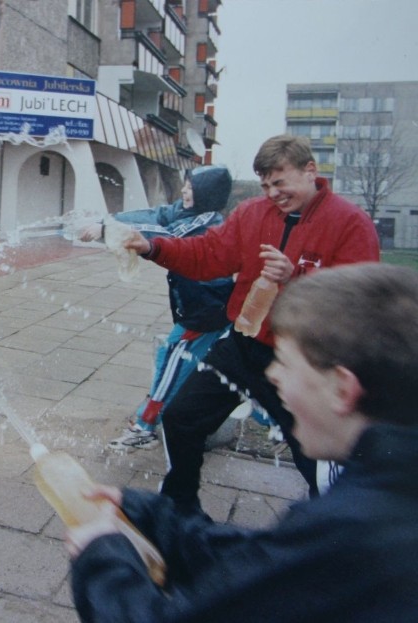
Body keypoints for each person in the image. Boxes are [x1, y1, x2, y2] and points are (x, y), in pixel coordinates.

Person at [66, 263, 418, 622]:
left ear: (341, 388)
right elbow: (272, 566)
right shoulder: (417, 486)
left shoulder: (352, 526)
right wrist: (152, 515)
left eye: (284, 362)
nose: (272, 376)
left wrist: (101, 558)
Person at [123, 135, 379, 506]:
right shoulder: (251, 214)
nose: (273, 193)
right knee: (181, 418)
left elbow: (361, 302)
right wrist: (152, 247)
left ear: (310, 171)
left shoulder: (350, 223)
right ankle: (180, 509)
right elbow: (208, 254)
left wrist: (296, 280)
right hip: (242, 346)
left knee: (315, 457)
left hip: (302, 361)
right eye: (265, 185)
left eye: (280, 182)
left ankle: (329, 535)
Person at [81, 166, 266, 453]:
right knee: (218, 371)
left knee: (173, 363)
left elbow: (163, 232)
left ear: (205, 193)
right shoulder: (187, 211)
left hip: (206, 313)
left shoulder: (206, 224)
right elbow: (156, 215)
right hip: (198, 309)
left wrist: (108, 230)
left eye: (190, 187)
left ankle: (145, 427)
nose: (184, 191)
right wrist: (110, 219)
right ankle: (270, 417)